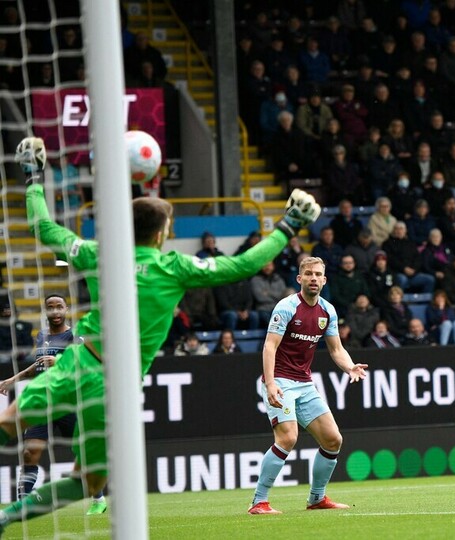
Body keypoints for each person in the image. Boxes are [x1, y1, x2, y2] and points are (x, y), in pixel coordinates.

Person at [0, 137, 320, 534]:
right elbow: (242, 265)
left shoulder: (98, 251)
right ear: (160, 233)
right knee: (89, 481)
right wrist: (287, 225)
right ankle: (6, 518)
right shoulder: (175, 266)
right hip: (114, 387)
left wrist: (33, 176)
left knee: (11, 419)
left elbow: (43, 227)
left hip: (79, 362)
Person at [249, 257, 367, 514]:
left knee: (333, 440)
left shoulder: (328, 311)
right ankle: (259, 501)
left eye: (318, 275)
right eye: (309, 274)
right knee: (288, 437)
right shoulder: (287, 306)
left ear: (324, 280)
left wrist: (349, 367)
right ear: (299, 278)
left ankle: (316, 498)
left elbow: (336, 349)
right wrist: (269, 384)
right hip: (279, 380)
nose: (313, 278)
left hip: (304, 383)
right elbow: (269, 346)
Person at [0, 295, 106, 515]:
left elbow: (85, 365)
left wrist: (58, 361)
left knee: (84, 454)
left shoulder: (75, 336)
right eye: (51, 307)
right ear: (45, 311)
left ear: (66, 310)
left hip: (69, 402)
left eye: (59, 307)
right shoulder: (42, 336)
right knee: (30, 452)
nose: (55, 311)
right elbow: (37, 367)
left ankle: (98, 498)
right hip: (45, 402)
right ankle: (23, 503)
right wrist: (12, 380)